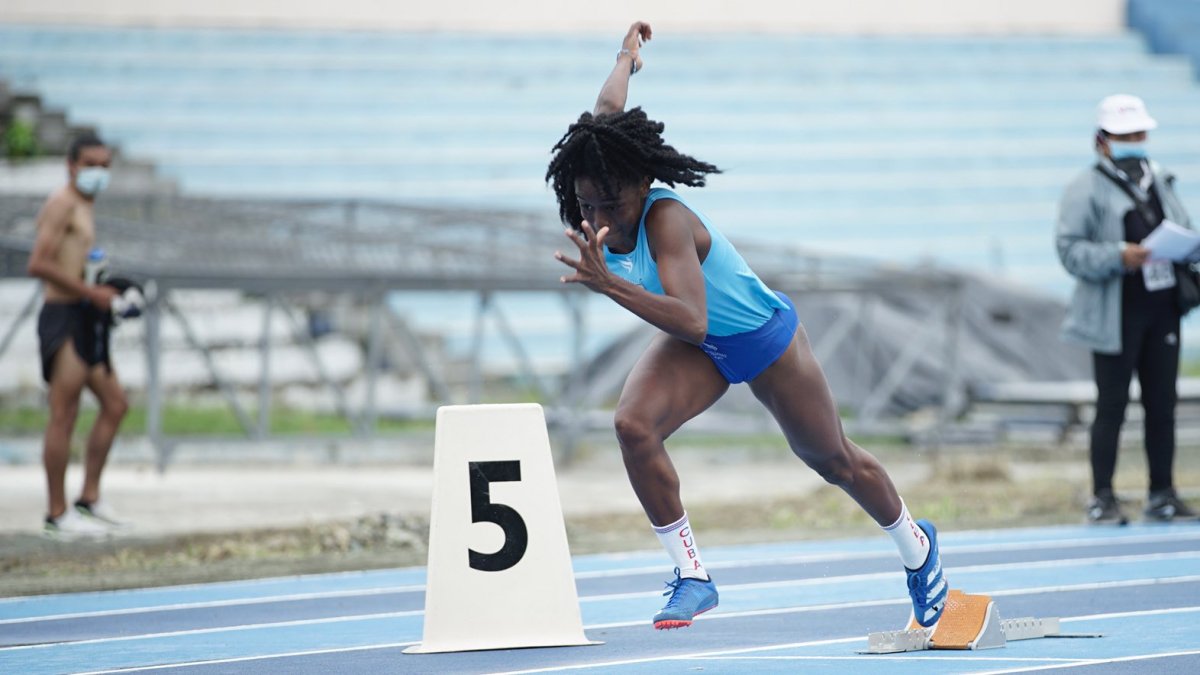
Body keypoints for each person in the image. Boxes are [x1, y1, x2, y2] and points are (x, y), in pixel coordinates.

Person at [546, 22, 948, 631]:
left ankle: (918, 551)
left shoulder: (667, 222)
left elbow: (692, 313)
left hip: (763, 339)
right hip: (699, 348)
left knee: (833, 459)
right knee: (631, 425)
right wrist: (625, 57)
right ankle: (692, 576)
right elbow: (605, 113)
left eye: (612, 204)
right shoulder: (603, 175)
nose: (599, 218)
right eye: (587, 205)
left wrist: (610, 283)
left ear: (642, 186)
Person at [1056, 94, 1197, 525]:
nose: (1133, 141)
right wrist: (1118, 256)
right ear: (1102, 141)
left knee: (1162, 403)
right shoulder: (1084, 188)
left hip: (1162, 309)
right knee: (1112, 405)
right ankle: (1103, 496)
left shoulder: (1161, 180)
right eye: (1123, 135)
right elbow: (1070, 251)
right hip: (1114, 315)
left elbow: (1185, 230)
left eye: (1138, 133)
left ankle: (1162, 493)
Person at [26, 132, 130, 538]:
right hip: (63, 315)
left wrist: (103, 287)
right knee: (64, 414)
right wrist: (91, 292)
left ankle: (89, 497)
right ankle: (57, 512)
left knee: (116, 404)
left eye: (105, 166)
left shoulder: (84, 205)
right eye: (90, 165)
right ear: (71, 165)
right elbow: (38, 263)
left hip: (85, 315)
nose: (98, 173)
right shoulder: (61, 203)